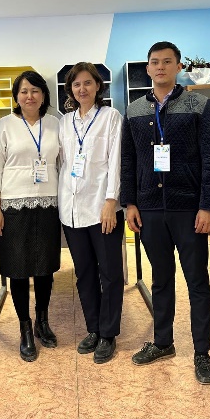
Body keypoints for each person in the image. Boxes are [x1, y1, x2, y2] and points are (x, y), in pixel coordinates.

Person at [121, 41, 210, 384]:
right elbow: (128, 160)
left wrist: (208, 206)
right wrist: (130, 203)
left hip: (189, 208)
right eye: (155, 62)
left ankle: (202, 352)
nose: (160, 67)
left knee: (197, 281)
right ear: (148, 68)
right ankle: (163, 342)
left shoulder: (200, 105)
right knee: (161, 279)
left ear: (179, 67)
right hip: (149, 208)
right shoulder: (134, 110)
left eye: (167, 62)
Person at [0, 70, 60, 362]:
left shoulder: (55, 123)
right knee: (18, 268)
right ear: (16, 97)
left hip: (49, 202)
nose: (29, 96)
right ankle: (25, 327)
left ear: (43, 94)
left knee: (45, 267)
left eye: (35, 90)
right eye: (23, 91)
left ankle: (42, 320)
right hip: (13, 206)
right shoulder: (4, 126)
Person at [59, 62, 124, 364]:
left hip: (102, 208)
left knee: (109, 273)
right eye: (76, 84)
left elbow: (116, 161)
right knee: (84, 272)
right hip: (71, 210)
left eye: (87, 83)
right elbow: (62, 163)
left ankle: (109, 334)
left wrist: (111, 201)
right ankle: (94, 328)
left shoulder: (111, 117)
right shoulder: (65, 122)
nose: (82, 89)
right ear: (70, 90)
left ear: (98, 86)